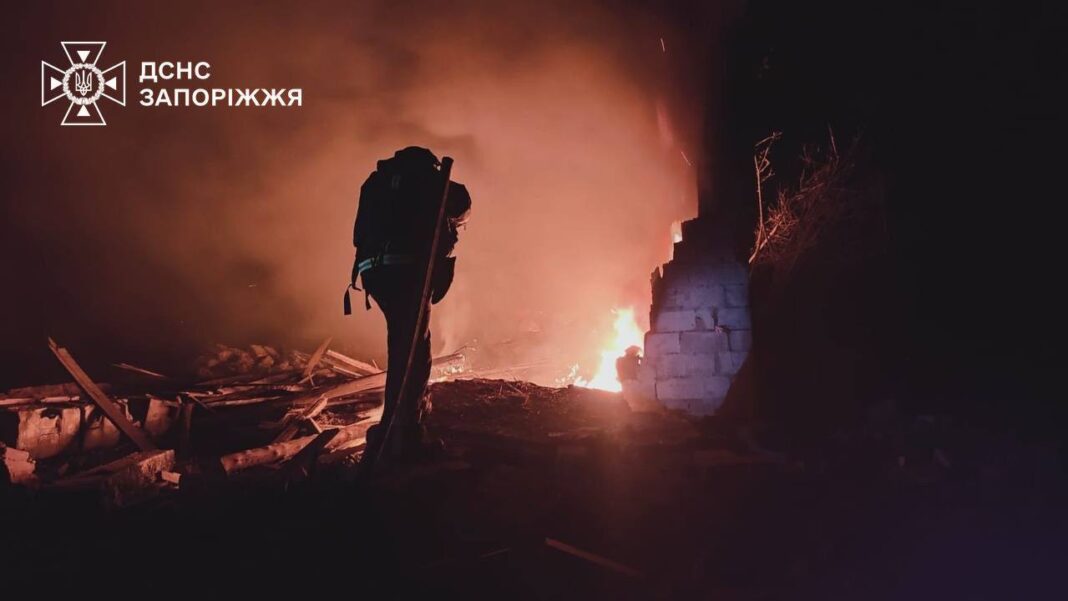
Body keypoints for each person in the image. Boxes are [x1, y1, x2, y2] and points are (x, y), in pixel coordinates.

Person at [349, 146, 471, 462]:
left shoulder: (375, 182)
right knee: (415, 355)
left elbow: (361, 233)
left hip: (374, 274)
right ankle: (404, 436)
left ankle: (394, 429)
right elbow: (463, 204)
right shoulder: (431, 179)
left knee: (404, 346)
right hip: (410, 274)